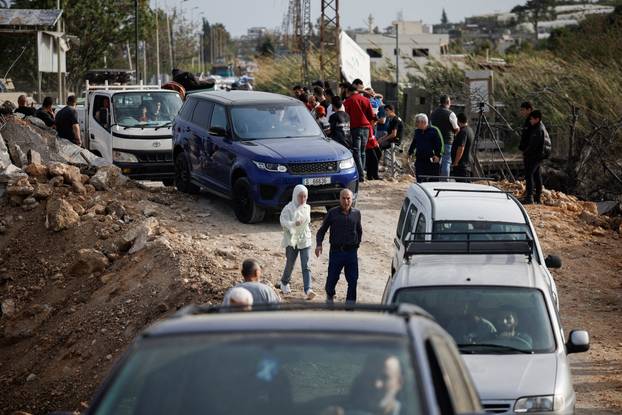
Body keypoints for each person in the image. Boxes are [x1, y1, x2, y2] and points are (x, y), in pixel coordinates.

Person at [315, 189, 363, 304]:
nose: (346, 201)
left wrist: (357, 244)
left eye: (348, 198)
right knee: (332, 277)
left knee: (353, 279)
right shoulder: (332, 213)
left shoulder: (356, 213)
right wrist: (319, 244)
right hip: (336, 252)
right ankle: (330, 295)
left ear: (352, 199)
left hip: (351, 253)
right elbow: (321, 231)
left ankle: (350, 304)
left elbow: (359, 230)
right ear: (339, 199)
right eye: (344, 198)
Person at [278, 185, 316, 300]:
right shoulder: (288, 208)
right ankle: (284, 282)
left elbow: (307, 223)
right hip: (292, 241)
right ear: (295, 196)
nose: (303, 199)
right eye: (300, 196)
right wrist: (293, 224)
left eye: (305, 196)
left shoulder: (307, 208)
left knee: (306, 265)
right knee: (290, 263)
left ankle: (308, 289)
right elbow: (282, 221)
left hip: (305, 240)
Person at [343, 84, 375, 182]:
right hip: (366, 128)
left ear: (349, 91)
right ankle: (362, 174)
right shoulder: (365, 100)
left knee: (356, 152)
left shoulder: (347, 102)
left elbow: (345, 116)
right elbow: (371, 115)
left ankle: (361, 175)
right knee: (362, 152)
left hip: (354, 128)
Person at [519, 110, 550, 204]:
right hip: (538, 155)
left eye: (532, 119)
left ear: (537, 119)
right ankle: (537, 198)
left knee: (529, 175)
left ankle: (529, 197)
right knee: (536, 175)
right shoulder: (538, 127)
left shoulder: (538, 130)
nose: (530, 121)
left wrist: (525, 152)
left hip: (536, 156)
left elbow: (533, 146)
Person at [407, 113, 443, 182]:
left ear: (423, 122)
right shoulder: (417, 132)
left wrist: (438, 155)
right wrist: (409, 153)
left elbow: (439, 144)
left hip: (431, 160)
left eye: (417, 122)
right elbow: (414, 143)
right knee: (420, 179)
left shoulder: (434, 131)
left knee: (432, 180)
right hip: (420, 159)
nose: (416, 124)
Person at [430, 95, 459, 178]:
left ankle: (434, 179)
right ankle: (444, 182)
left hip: (435, 141)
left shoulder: (433, 113)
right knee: (446, 161)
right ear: (448, 102)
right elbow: (456, 128)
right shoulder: (450, 113)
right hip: (447, 141)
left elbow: (431, 126)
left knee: (436, 160)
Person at [451, 113, 474, 180]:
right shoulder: (470, 130)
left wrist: (456, 162)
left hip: (461, 166)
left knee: (461, 186)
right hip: (467, 164)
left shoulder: (463, 132)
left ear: (458, 121)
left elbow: (461, 148)